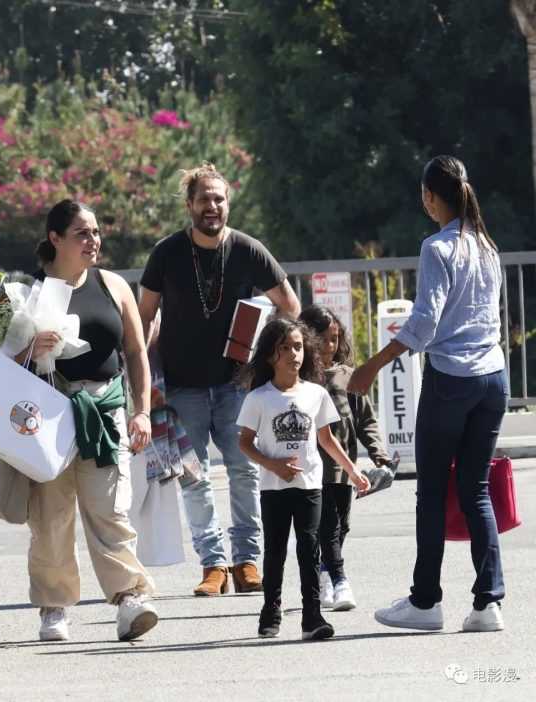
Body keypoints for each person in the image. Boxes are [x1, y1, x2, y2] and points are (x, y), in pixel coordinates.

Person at [349, 155, 508, 633]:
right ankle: (488, 604)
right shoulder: (487, 245)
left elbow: (423, 324)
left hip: (451, 380)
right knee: (476, 490)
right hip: (493, 377)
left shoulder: (437, 248)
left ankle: (425, 602)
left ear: (429, 197)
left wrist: (371, 367)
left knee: (432, 493)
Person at [138, 163, 301, 596]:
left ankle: (246, 561)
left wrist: (264, 349)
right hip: (181, 386)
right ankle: (213, 566)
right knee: (194, 478)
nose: (211, 206)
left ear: (228, 203)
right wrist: (146, 378)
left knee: (244, 472)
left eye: (219, 198)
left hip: (237, 387)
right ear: (189, 205)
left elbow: (290, 307)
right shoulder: (167, 252)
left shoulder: (248, 249)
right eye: (203, 199)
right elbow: (144, 317)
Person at [19, 199, 157, 642]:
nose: (93, 240)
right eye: (82, 233)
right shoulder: (28, 292)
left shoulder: (113, 284)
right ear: (55, 238)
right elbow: (0, 361)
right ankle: (53, 607)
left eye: (96, 232)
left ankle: (130, 598)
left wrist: (142, 411)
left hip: (105, 408)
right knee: (51, 515)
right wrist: (29, 348)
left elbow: (135, 351)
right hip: (47, 414)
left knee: (111, 509)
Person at [237, 318, 370, 640]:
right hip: (274, 488)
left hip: (310, 486)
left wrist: (352, 471)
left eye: (298, 347)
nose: (293, 354)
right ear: (270, 355)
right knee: (275, 551)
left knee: (310, 550)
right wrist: (273, 465)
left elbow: (326, 439)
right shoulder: (258, 398)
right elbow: (245, 443)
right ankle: (271, 610)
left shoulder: (316, 394)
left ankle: (312, 616)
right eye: (284, 347)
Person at [299, 305, 393, 611]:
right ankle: (338, 580)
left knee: (342, 525)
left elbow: (366, 420)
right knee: (328, 526)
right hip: (314, 468)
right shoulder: (300, 379)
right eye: (323, 339)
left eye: (335, 338)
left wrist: (379, 456)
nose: (330, 346)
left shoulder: (347, 376)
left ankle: (324, 572)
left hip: (344, 468)